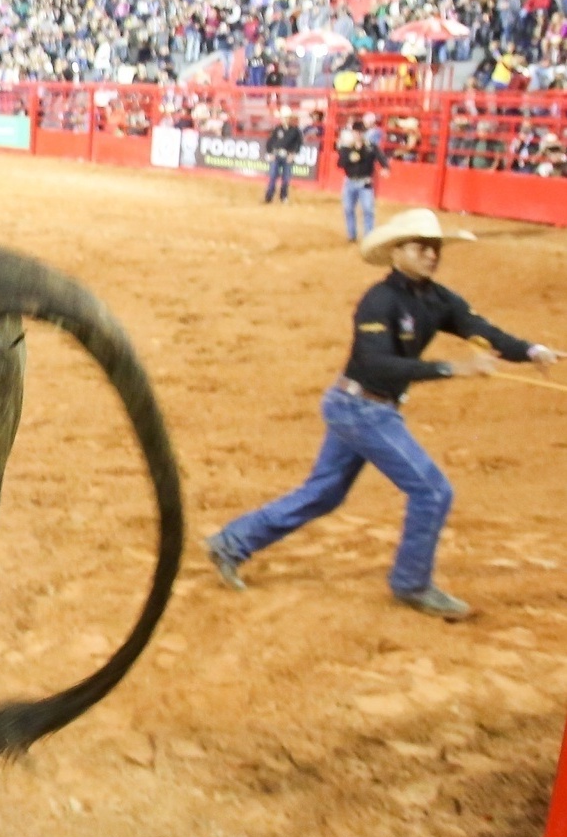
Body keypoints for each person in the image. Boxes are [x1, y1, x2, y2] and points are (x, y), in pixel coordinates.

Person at [206, 208, 558, 619]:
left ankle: (232, 542)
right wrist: (451, 368)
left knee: (323, 493)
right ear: (397, 252)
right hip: (362, 408)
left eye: (435, 248)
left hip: (360, 406)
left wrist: (531, 350)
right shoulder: (378, 301)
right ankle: (411, 584)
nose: (431, 255)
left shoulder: (438, 299)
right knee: (432, 491)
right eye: (421, 247)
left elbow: (484, 331)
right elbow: (376, 364)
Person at [334, 114, 383, 242]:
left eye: (360, 132)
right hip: (350, 181)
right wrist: (349, 159)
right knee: (348, 209)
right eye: (356, 132)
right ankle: (352, 235)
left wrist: (385, 167)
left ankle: (369, 236)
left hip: (364, 182)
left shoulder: (370, 147)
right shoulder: (347, 148)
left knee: (368, 209)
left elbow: (380, 157)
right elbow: (339, 164)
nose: (358, 135)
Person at [263, 106, 302, 202]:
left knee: (286, 178)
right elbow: (270, 142)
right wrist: (270, 152)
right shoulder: (277, 129)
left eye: (286, 118)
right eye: (283, 118)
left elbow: (298, 144)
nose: (284, 120)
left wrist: (292, 154)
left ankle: (283, 196)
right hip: (276, 155)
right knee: (272, 177)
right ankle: (269, 196)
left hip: (287, 156)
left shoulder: (295, 131)